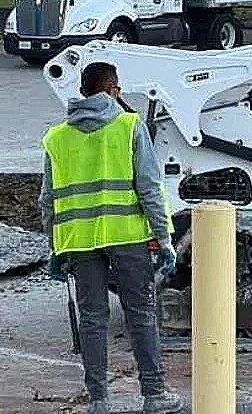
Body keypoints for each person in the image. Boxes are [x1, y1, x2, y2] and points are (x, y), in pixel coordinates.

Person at [39, 61, 182, 414]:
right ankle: (154, 394)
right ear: (113, 89)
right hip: (127, 237)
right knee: (141, 314)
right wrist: (164, 238)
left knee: (92, 319)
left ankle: (99, 401)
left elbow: (47, 201)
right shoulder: (129, 126)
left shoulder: (57, 138)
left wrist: (56, 250)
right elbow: (149, 187)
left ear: (83, 91)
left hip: (80, 243)